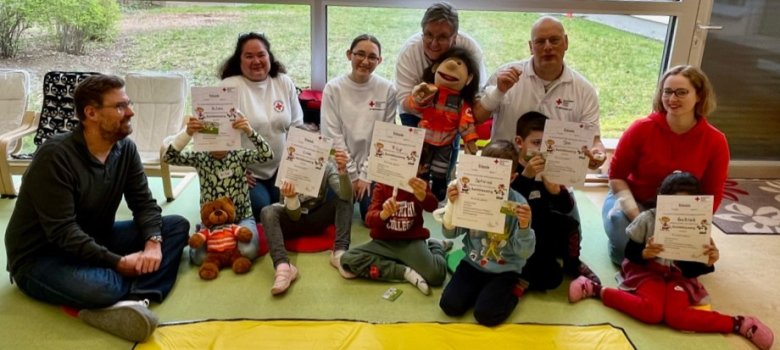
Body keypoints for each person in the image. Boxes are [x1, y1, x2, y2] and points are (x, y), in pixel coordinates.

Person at [4, 74, 190, 342]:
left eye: (129, 103)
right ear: (91, 113)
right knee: (103, 289)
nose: (131, 112)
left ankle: (137, 300)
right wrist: (118, 262)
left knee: (175, 227)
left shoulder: (125, 149)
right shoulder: (55, 156)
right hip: (41, 257)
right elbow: (63, 232)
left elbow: (145, 204)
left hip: (95, 237)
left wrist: (152, 243)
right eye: (120, 106)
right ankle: (119, 295)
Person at [569, 172, 774, 350]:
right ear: (662, 201)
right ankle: (595, 289)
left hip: (679, 277)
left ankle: (739, 324)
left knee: (676, 317)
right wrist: (645, 253)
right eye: (674, 206)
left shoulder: (698, 225)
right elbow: (630, 252)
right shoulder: (647, 219)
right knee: (652, 312)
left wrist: (709, 260)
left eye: (687, 207)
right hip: (647, 272)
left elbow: (693, 270)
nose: (680, 213)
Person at [603, 65, 729, 265]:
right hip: (635, 202)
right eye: (667, 92)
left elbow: (712, 194)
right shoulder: (640, 129)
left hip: (682, 212)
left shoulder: (716, 141)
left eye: (681, 92)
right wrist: (641, 220)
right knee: (620, 227)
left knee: (694, 262)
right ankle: (630, 252)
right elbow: (616, 177)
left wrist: (690, 227)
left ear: (699, 96)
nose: (672, 99)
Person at [474, 15, 605, 167]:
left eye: (554, 40)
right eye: (540, 41)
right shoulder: (504, 75)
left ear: (566, 42)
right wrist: (498, 91)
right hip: (504, 172)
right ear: (531, 47)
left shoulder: (584, 90)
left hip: (554, 177)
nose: (548, 47)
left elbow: (593, 139)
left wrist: (597, 153)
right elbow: (477, 117)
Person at [438, 140, 535, 326]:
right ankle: (482, 291)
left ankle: (514, 292)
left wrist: (524, 227)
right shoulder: (469, 195)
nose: (488, 180)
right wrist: (452, 206)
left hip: (505, 269)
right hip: (473, 263)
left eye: (497, 175)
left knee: (485, 315)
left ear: (512, 178)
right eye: (485, 171)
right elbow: (450, 235)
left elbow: (524, 253)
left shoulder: (518, 205)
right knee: (449, 306)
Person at [162, 113, 273, 265]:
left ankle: (226, 243)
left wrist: (249, 131)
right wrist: (188, 133)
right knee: (199, 258)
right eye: (215, 139)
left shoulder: (239, 155)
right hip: (211, 223)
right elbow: (168, 157)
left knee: (248, 251)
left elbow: (268, 154)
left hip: (241, 217)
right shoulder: (200, 157)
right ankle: (207, 234)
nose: (219, 144)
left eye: (224, 138)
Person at [219, 32, 304, 221]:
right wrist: (235, 171)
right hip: (249, 174)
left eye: (261, 55)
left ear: (269, 57)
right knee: (262, 209)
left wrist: (294, 167)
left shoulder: (283, 82)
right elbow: (218, 138)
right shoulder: (228, 87)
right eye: (249, 56)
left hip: (282, 168)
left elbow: (297, 126)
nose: (256, 61)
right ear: (238, 60)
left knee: (288, 206)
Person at [510, 112, 600, 289]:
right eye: (536, 143)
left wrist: (556, 193)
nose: (541, 151)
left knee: (569, 224)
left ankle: (573, 264)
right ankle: (520, 276)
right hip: (518, 233)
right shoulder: (512, 168)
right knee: (549, 279)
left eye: (546, 145)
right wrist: (526, 176)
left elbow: (566, 207)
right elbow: (507, 205)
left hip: (543, 229)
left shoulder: (552, 167)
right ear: (520, 142)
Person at [260, 131, 353, 295]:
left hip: (315, 217)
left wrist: (343, 171)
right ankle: (283, 267)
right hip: (291, 218)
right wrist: (291, 197)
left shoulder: (327, 166)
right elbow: (293, 215)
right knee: (267, 211)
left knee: (344, 199)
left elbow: (346, 196)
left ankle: (339, 252)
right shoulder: (288, 165)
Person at [321, 34, 397, 221]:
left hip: (372, 167)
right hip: (340, 166)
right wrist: (351, 174)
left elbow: (384, 138)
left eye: (372, 57)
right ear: (349, 55)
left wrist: (366, 175)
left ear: (379, 61)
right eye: (360, 54)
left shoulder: (387, 89)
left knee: (371, 217)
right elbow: (332, 135)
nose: (365, 61)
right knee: (332, 217)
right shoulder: (333, 88)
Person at [337, 176, 450, 296]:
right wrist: (383, 214)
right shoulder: (382, 185)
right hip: (383, 243)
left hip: (411, 241)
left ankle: (436, 245)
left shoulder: (418, 184)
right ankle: (405, 272)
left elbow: (432, 206)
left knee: (436, 275)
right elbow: (369, 219)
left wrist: (423, 196)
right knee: (347, 259)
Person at [395, 1, 487, 128]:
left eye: (442, 37)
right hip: (414, 115)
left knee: (450, 147)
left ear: (455, 37)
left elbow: (478, 93)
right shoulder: (409, 52)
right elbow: (403, 99)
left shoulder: (470, 49)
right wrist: (418, 102)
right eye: (428, 35)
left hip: (452, 112)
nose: (434, 43)